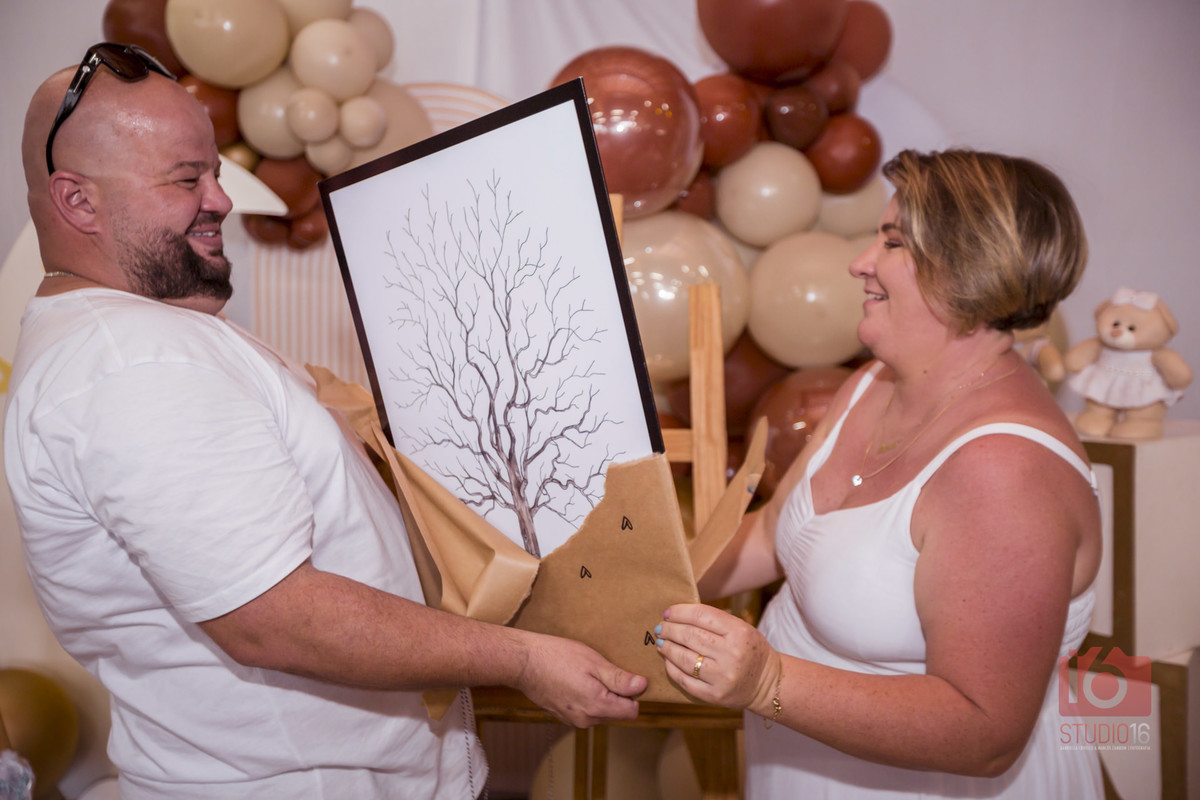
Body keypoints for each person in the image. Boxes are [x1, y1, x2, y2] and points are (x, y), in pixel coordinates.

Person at [4, 43, 646, 799]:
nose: (220, 200)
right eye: (186, 179)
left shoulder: (139, 335)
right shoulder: (132, 361)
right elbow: (275, 618)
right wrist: (525, 659)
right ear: (78, 202)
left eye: (215, 173)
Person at [655, 149, 1104, 797]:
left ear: (966, 266)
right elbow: (775, 533)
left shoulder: (1005, 470)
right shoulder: (872, 383)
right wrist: (641, 580)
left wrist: (767, 682)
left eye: (892, 242)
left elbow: (985, 732)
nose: (859, 262)